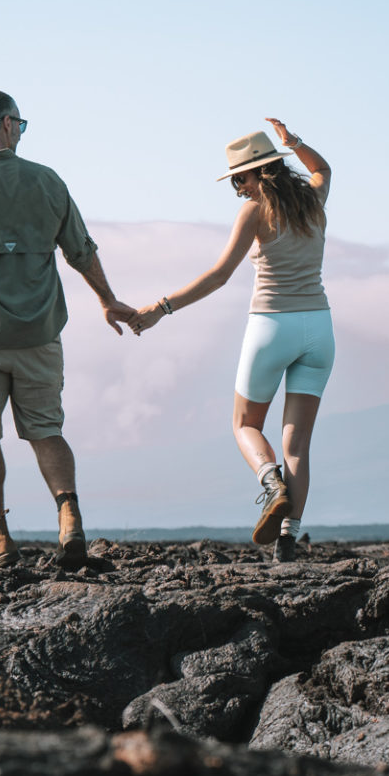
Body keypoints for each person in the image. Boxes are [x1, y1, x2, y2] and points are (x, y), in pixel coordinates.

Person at [0, 89, 137, 568]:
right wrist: (107, 300)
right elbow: (80, 248)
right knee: (46, 430)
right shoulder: (47, 181)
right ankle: (70, 519)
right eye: (19, 123)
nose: (20, 130)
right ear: (6, 124)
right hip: (40, 335)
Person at [130, 118, 332, 561]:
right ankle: (288, 540)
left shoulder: (256, 212)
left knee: (245, 425)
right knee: (297, 444)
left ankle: (270, 482)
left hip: (272, 325)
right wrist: (294, 143)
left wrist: (159, 309)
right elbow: (323, 170)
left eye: (239, 177)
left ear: (261, 172)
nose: (237, 187)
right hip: (319, 328)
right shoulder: (314, 201)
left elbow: (219, 276)